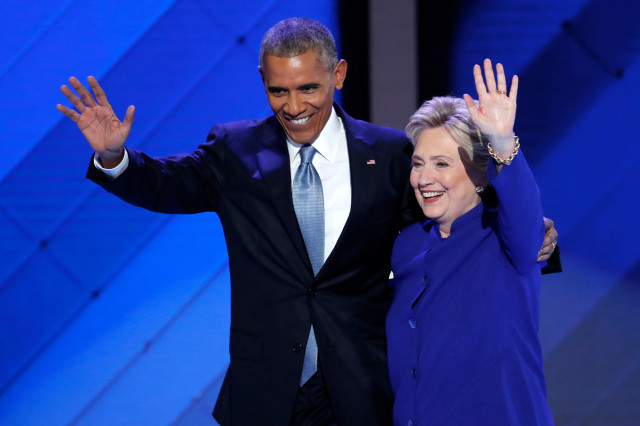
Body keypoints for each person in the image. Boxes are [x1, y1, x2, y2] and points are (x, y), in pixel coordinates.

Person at [57, 18, 557, 425]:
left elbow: (448, 216)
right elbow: (167, 184)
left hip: (362, 389)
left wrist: (537, 239)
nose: (294, 107)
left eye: (308, 88)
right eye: (278, 91)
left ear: (339, 75)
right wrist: (115, 157)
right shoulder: (236, 151)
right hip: (266, 391)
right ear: (263, 82)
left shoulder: (386, 154)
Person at [386, 60, 555, 425]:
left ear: (480, 174)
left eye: (442, 164)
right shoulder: (407, 246)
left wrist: (502, 141)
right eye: (418, 163)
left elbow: (525, 215)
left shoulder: (507, 238)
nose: (424, 178)